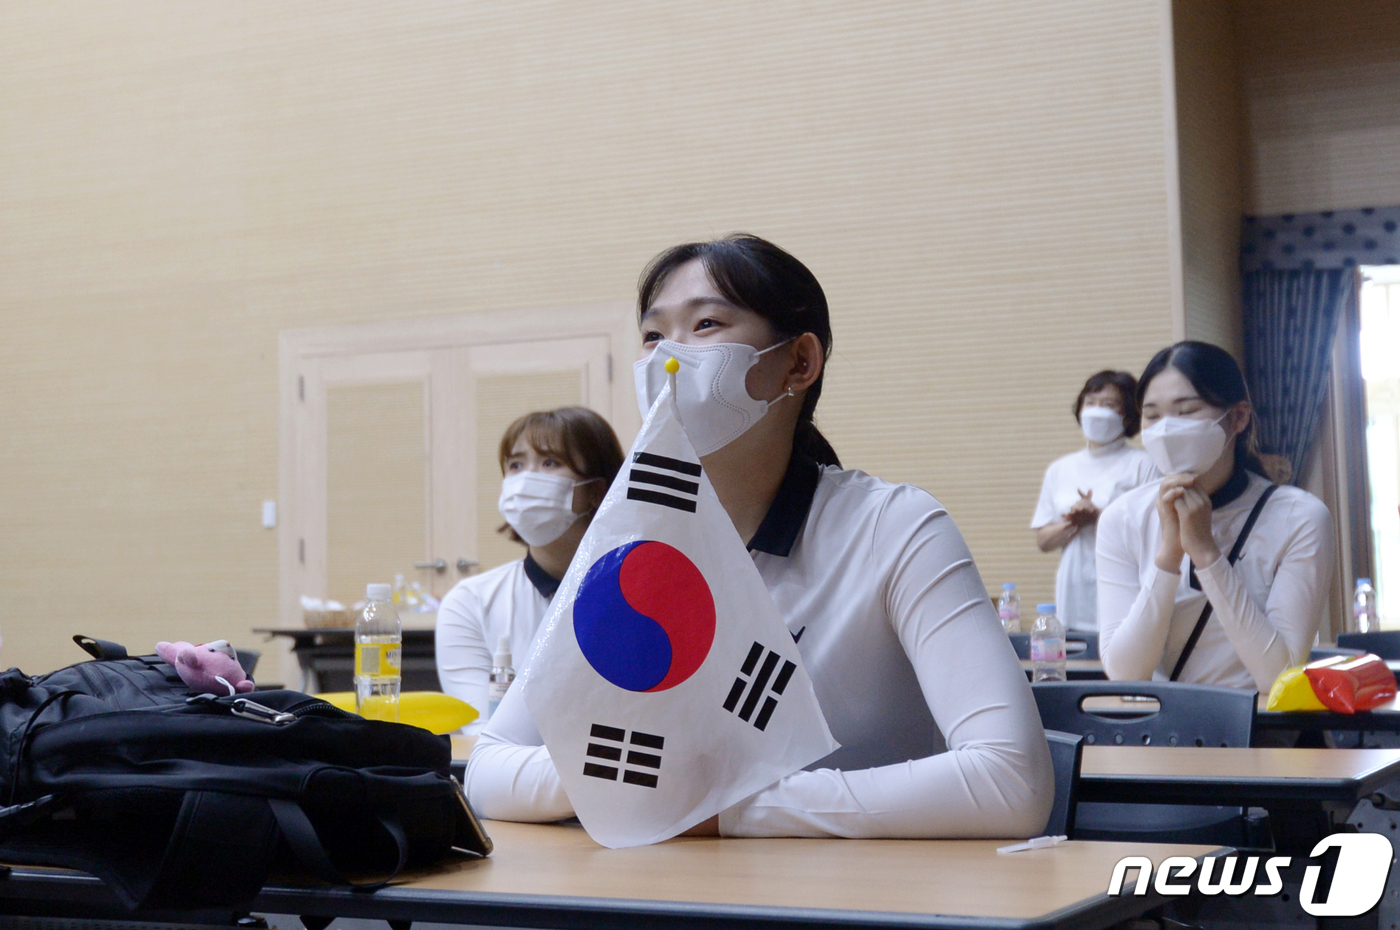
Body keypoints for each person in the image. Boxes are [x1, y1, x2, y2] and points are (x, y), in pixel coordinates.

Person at [466, 235, 1053, 839]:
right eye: (653, 335)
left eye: (706, 324)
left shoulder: (894, 527)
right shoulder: (629, 540)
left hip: (860, 888)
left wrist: (726, 809)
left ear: (799, 362)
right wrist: (640, 780)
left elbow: (1011, 780)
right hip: (664, 884)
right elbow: (488, 769)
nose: (669, 358)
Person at [1097, 341, 1334, 692]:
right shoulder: (1122, 518)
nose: (1167, 429)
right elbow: (1126, 674)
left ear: (1238, 417)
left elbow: (1279, 677)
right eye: (1153, 416)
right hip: (1160, 723)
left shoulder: (1300, 518)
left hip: (1256, 723)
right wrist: (1168, 556)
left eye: (1187, 411)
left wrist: (1207, 555)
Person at [435, 407, 624, 734]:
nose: (525, 481)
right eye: (516, 465)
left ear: (596, 490)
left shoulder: (638, 595)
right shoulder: (470, 603)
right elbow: (486, 736)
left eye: (550, 462)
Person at [1031, 371, 1157, 632]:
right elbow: (1043, 541)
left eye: (1109, 404)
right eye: (1090, 402)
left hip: (1125, 586)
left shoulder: (1144, 464)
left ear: (1128, 415)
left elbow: (1153, 534)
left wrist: (1098, 516)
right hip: (1073, 591)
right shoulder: (1060, 469)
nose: (1097, 411)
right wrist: (1074, 521)